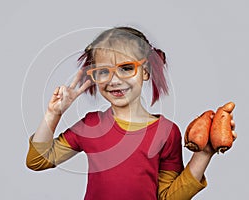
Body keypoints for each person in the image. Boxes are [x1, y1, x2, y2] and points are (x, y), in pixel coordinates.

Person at [26, 26, 236, 200]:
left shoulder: (166, 132)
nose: (114, 80)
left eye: (126, 68)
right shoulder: (91, 125)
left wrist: (204, 154)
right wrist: (54, 114)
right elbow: (38, 161)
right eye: (103, 72)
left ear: (145, 71)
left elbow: (168, 198)